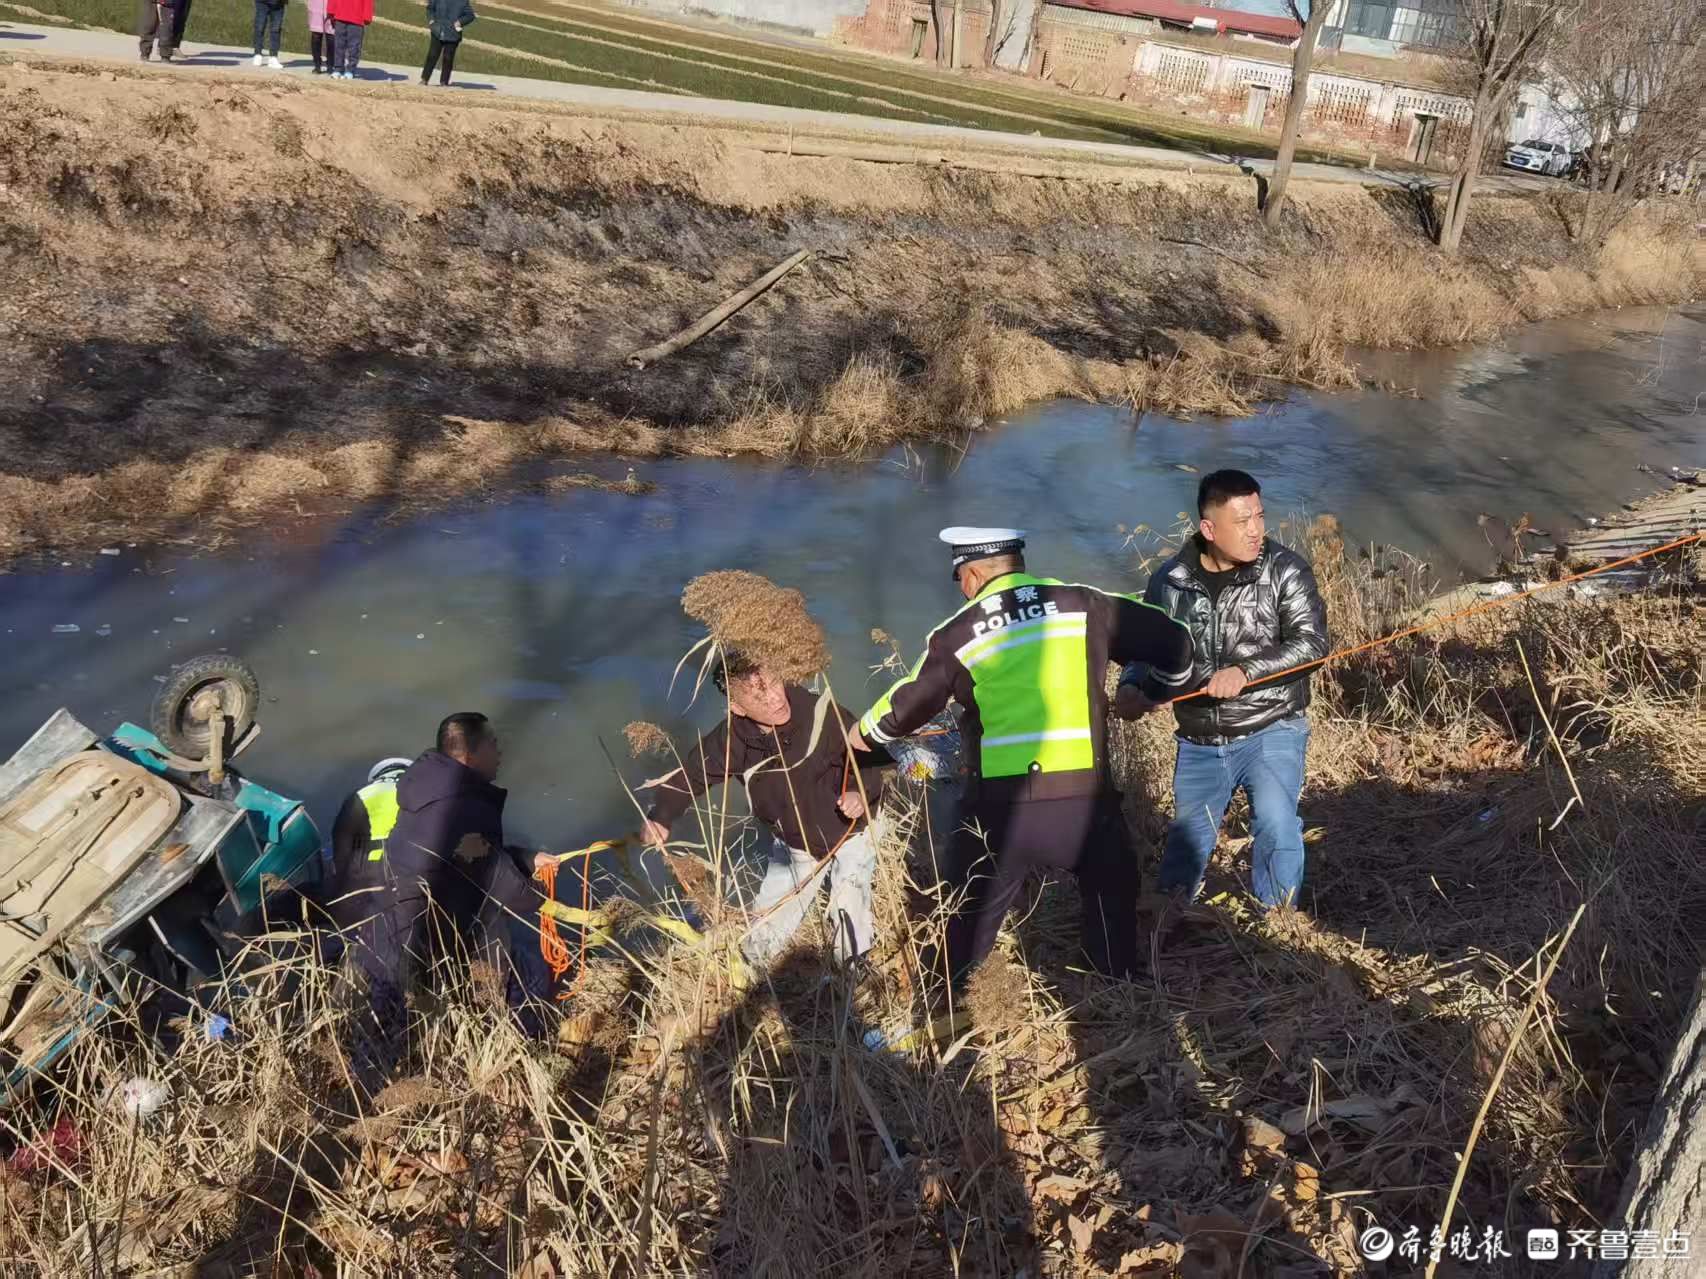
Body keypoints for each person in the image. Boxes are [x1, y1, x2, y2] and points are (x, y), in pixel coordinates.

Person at [850, 528, 1195, 985]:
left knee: (970, 918)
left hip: (1000, 808)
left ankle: (948, 1001)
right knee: (1112, 894)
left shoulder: (959, 632)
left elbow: (905, 706)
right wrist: (1152, 691)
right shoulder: (1084, 603)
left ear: (971, 574)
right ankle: (1116, 987)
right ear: (1016, 563)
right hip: (1086, 798)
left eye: (959, 580)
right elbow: (1177, 642)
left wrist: (861, 735)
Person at [1124, 470, 1328, 910]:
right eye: (1242, 521)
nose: (1256, 529)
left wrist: (1246, 671)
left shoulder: (1285, 570)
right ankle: (1170, 920)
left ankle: (1278, 926)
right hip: (1198, 737)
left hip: (1270, 726)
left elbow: (1312, 645)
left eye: (1259, 515)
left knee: (1276, 823)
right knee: (1187, 839)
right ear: (1209, 529)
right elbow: (1143, 647)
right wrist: (1131, 686)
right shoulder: (1169, 579)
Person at [641, 652, 890, 970]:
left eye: (774, 683)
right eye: (759, 696)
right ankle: (750, 976)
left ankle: (855, 972)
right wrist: (662, 815)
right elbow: (692, 774)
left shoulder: (821, 712)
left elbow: (867, 756)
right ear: (737, 708)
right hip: (796, 844)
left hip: (852, 830)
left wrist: (858, 791)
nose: (774, 699)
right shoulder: (731, 741)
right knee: (762, 936)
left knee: (849, 899)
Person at [340, 714, 552, 1086]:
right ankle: (522, 1065)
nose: (500, 752)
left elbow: (470, 856)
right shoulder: (465, 807)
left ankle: (370, 1088)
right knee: (533, 975)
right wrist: (542, 892)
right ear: (471, 752)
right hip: (414, 951)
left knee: (380, 1042)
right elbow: (515, 895)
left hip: (382, 934)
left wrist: (525, 858)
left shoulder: (424, 791)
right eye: (493, 745)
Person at [327, 756, 412, 908]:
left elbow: (340, 847)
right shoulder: (421, 794)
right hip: (409, 873)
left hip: (366, 876)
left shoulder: (360, 795)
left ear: (376, 777)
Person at [421, 0, 476, 87]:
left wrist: (460, 22)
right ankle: (424, 79)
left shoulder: (463, 1)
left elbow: (470, 15)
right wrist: (431, 20)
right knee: (432, 55)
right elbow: (430, 9)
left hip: (452, 33)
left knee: (448, 58)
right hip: (438, 30)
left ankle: (444, 82)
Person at [327, 0, 374, 80]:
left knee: (354, 47)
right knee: (339, 45)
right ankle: (338, 68)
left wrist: (367, 17)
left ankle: (350, 70)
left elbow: (367, 2)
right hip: (340, 16)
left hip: (356, 19)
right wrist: (331, 11)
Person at [250, 0, 286, 70]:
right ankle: (257, 54)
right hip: (262, 2)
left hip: (279, 3)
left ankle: (273, 57)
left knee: (276, 29)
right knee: (260, 26)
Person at [308, 0, 335, 74]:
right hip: (316, 5)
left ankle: (330, 65)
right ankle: (317, 65)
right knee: (316, 35)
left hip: (332, 4)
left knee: (331, 36)